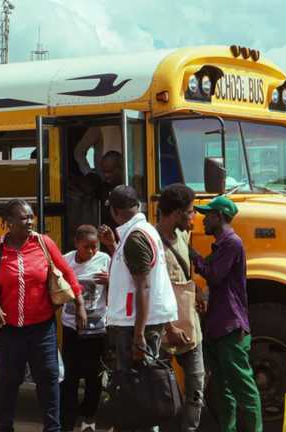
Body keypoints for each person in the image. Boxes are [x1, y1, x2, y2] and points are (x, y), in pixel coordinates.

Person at [0, 199, 87, 432]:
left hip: (42, 329)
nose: (30, 221)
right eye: (24, 218)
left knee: (49, 380)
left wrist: (80, 304)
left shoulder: (44, 244)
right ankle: (5, 428)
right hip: (8, 331)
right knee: (7, 383)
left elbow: (68, 274)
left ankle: (52, 428)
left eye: (31, 216)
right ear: (9, 223)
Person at [99, 185, 188, 432]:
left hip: (135, 326)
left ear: (116, 212)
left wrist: (138, 335)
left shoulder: (135, 238)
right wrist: (112, 247)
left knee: (139, 393)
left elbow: (144, 287)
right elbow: (132, 273)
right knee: (140, 392)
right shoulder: (141, 231)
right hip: (137, 324)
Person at [188, 195, 261, 432]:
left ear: (219, 217)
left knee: (243, 388)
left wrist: (191, 254)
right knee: (222, 389)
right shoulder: (221, 244)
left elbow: (214, 274)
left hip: (230, 326)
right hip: (218, 325)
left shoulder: (231, 243)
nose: (203, 221)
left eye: (207, 216)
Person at [156, 183, 205, 432]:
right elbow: (150, 292)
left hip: (189, 325)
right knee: (161, 389)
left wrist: (197, 291)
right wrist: (170, 327)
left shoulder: (184, 236)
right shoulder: (152, 244)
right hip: (164, 330)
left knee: (196, 384)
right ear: (176, 213)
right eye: (190, 211)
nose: (194, 216)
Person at [59, 225, 109, 432]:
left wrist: (111, 280)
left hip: (97, 330)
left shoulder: (105, 260)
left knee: (93, 377)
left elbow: (122, 287)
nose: (91, 251)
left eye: (94, 247)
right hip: (71, 328)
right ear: (76, 244)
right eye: (86, 246)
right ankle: (66, 421)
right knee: (69, 377)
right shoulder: (66, 260)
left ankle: (88, 419)